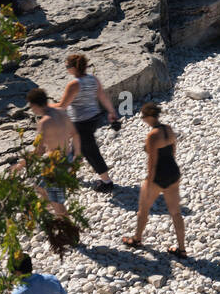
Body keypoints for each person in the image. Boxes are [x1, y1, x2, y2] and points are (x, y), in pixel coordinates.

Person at [122, 103, 186, 257]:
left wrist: (150, 181)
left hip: (158, 175)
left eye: (144, 117)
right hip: (173, 172)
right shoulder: (168, 129)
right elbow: (173, 151)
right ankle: (182, 249)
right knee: (176, 212)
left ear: (150, 117)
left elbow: (152, 161)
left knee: (143, 210)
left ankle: (137, 239)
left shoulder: (152, 136)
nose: (143, 120)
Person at [52, 53, 118, 193]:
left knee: (91, 152)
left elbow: (63, 105)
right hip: (94, 119)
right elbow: (103, 97)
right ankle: (70, 173)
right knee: (76, 148)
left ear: (74, 67)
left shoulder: (74, 84)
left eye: (67, 66)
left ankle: (107, 182)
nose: (66, 69)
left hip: (81, 123)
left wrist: (45, 107)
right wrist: (112, 112)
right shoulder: (93, 79)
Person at [19, 87, 79, 219]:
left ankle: (70, 233)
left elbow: (38, 152)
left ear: (35, 105)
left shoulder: (44, 123)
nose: (31, 109)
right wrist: (77, 156)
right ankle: (45, 210)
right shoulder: (62, 112)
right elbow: (74, 134)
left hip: (55, 166)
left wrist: (20, 165)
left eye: (31, 106)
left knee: (58, 203)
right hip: (67, 158)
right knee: (39, 186)